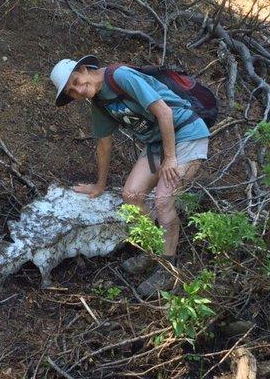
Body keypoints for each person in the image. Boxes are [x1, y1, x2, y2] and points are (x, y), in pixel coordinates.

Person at [49, 55, 210, 296]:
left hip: (186, 133)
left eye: (75, 81)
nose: (77, 89)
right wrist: (99, 185)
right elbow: (104, 144)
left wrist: (170, 158)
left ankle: (167, 267)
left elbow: (164, 112)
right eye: (71, 92)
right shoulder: (99, 102)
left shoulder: (120, 76)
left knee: (163, 201)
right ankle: (152, 251)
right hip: (158, 143)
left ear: (83, 69)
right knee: (131, 195)